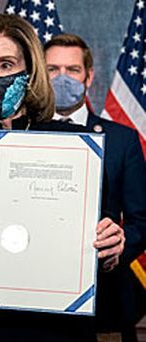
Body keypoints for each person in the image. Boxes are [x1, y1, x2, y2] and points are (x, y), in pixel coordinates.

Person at [0, 13, 127, 341]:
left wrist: (110, 250)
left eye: (5, 64)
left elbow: (99, 255)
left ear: (29, 73)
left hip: (58, 329)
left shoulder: (77, 148)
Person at [44, 33, 146, 342]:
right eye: (52, 70)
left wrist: (114, 250)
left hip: (104, 303)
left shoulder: (122, 140)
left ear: (88, 76)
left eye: (72, 70)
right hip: (34, 302)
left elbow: (142, 220)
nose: (63, 78)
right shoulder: (20, 133)